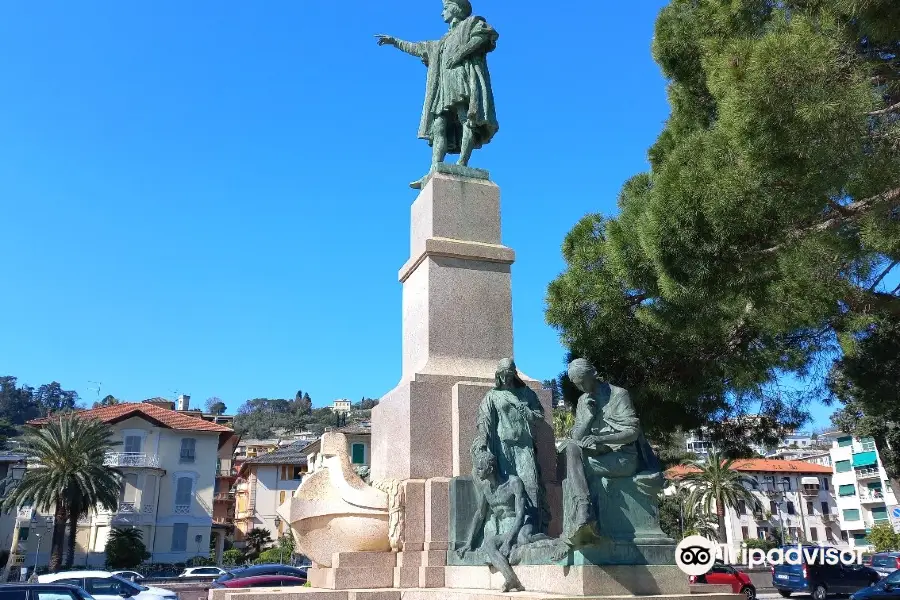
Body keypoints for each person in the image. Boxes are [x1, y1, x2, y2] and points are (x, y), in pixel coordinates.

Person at [376, 0, 499, 188]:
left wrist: (460, 53)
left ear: (456, 9)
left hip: (462, 78)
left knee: (466, 116)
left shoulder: (472, 22)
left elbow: (483, 37)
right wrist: (394, 42)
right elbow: (417, 48)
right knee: (438, 125)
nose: (443, 13)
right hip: (443, 86)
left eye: (446, 8)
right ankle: (434, 168)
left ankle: (462, 163)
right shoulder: (441, 42)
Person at [558, 358, 662, 545]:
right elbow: (577, 436)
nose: (581, 386)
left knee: (575, 469)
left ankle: (586, 518)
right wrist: (589, 418)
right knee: (571, 448)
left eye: (583, 381)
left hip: (622, 458)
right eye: (577, 384)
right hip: (597, 455)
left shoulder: (618, 395)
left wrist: (600, 439)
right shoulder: (583, 401)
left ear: (593, 374)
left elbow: (631, 432)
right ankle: (584, 509)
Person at [472, 358, 548, 533]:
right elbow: (483, 420)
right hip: (502, 447)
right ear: (498, 375)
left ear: (515, 374)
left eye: (510, 375)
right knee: (509, 487)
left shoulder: (526, 393)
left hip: (524, 446)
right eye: (503, 375)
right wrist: (483, 440)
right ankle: (510, 531)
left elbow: (539, 416)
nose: (507, 378)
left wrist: (528, 413)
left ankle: (532, 530)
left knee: (532, 486)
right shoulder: (492, 396)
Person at [456, 449, 532, 592]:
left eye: (480, 468)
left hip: (518, 525)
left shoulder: (514, 482)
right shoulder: (485, 488)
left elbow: (521, 515)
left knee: (521, 540)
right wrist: (468, 543)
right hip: (501, 529)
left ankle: (511, 579)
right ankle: (511, 579)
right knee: (490, 544)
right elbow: (480, 515)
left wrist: (508, 542)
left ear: (490, 469)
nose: (477, 472)